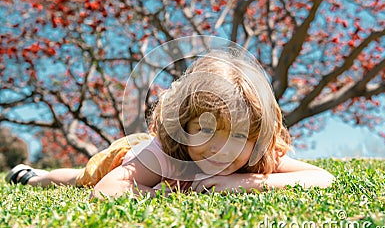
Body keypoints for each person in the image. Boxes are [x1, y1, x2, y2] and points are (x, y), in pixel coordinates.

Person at [5, 50, 335, 198]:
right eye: (206, 130)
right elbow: (107, 190)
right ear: (184, 126)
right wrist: (162, 196)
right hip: (128, 153)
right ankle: (37, 177)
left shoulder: (258, 156)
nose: (222, 148)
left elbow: (323, 178)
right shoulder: (163, 154)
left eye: (237, 135)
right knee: (84, 178)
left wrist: (251, 183)